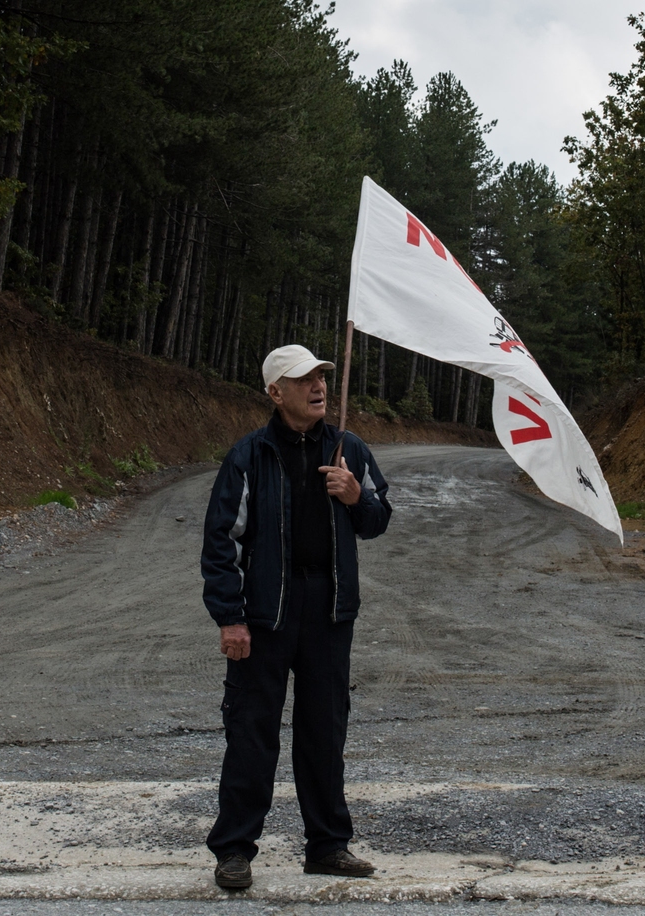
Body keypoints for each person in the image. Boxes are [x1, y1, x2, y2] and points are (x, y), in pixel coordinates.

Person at [199, 343, 393, 890]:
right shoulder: (250, 455)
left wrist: (355, 497)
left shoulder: (349, 448)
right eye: (304, 379)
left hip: (329, 612)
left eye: (321, 377)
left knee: (324, 732)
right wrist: (230, 618)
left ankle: (328, 846)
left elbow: (378, 518)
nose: (318, 386)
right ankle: (234, 850)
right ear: (275, 392)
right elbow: (221, 542)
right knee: (251, 732)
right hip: (266, 614)